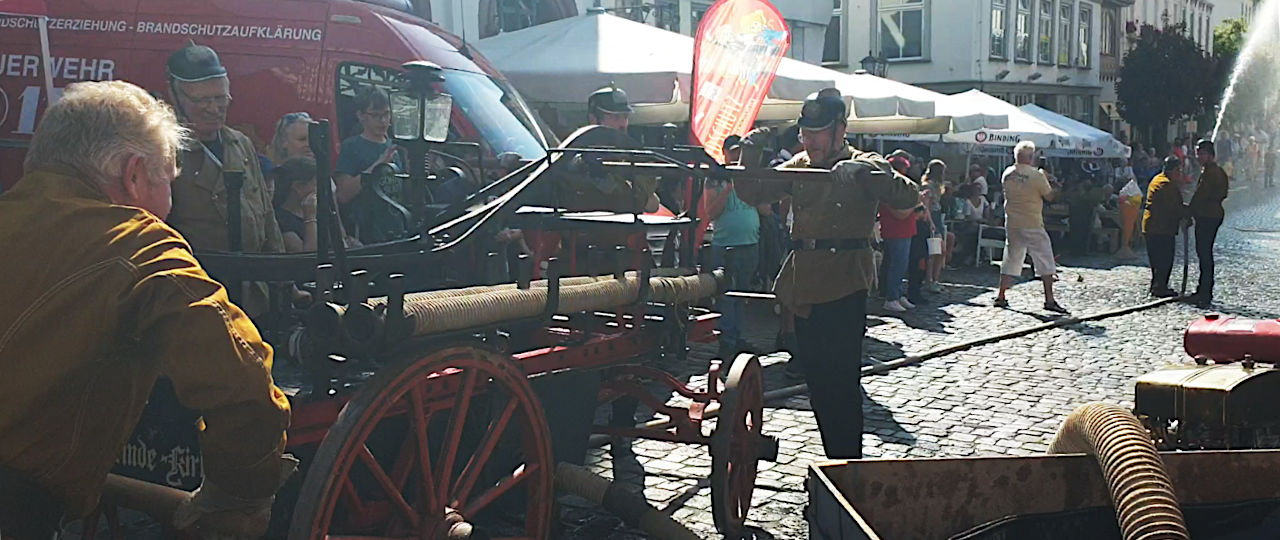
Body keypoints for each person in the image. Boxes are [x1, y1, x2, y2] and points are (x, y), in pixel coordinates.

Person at [0, 80, 294, 540]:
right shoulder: (140, 245)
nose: (170, 206)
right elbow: (243, 388)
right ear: (134, 175)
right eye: (168, 182)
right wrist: (238, 495)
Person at [735, 88, 920, 459]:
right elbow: (752, 191)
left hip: (845, 282)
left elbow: (907, 196)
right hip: (804, 286)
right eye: (806, 132)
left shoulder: (864, 162)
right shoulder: (800, 165)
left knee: (842, 383)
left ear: (841, 130)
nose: (811, 140)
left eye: (819, 132)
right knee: (818, 383)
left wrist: (870, 174)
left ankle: (848, 465)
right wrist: (750, 149)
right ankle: (836, 461)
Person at [164, 42, 285, 316]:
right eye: (202, 100)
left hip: (253, 294)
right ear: (176, 96)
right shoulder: (165, 149)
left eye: (220, 99)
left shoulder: (239, 144)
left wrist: (282, 280)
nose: (214, 108)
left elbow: (267, 217)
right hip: (199, 298)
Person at [993, 141, 1067, 313]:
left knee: (1011, 257)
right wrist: (1053, 183)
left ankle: (1001, 295)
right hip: (1032, 222)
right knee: (1045, 259)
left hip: (1012, 222)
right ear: (1031, 157)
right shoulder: (1036, 176)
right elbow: (1049, 197)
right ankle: (1049, 299)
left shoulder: (1007, 173)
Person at [707, 136, 761, 357]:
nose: (736, 157)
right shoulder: (715, 178)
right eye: (733, 152)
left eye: (740, 152)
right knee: (727, 295)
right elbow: (711, 212)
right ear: (724, 153)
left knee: (742, 294)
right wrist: (729, 187)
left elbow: (764, 207)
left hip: (750, 243)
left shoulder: (750, 177)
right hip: (725, 244)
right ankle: (728, 340)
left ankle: (737, 337)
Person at [1188, 139, 1229, 308]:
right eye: (1198, 152)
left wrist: (1189, 210)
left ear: (1210, 154)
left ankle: (1205, 291)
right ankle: (1204, 289)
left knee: (1204, 253)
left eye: (1202, 153)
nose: (1199, 156)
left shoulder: (1211, 172)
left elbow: (1201, 195)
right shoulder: (1217, 171)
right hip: (1213, 214)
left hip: (1207, 216)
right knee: (1204, 252)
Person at [878, 155, 921, 312]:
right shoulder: (889, 191)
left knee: (901, 265)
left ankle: (898, 293)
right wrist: (916, 203)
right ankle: (891, 297)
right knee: (897, 265)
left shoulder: (900, 188)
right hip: (895, 231)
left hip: (905, 230)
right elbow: (899, 213)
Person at [1142, 156, 1189, 297]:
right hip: (1160, 227)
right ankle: (1160, 287)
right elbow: (1173, 208)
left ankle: (1157, 285)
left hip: (1153, 226)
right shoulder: (1166, 184)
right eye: (1179, 171)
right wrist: (1187, 213)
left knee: (1156, 259)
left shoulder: (1158, 179)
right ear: (1174, 170)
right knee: (1164, 258)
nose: (1180, 174)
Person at [273, 157, 320, 252]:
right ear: (298, 187)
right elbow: (308, 257)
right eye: (315, 184)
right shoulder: (281, 221)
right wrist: (310, 218)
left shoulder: (321, 211)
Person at [922, 160, 948, 293]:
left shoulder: (937, 186)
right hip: (933, 218)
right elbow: (926, 206)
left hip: (938, 217)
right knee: (934, 252)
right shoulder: (928, 186)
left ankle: (936, 279)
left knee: (941, 251)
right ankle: (929, 280)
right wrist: (931, 223)